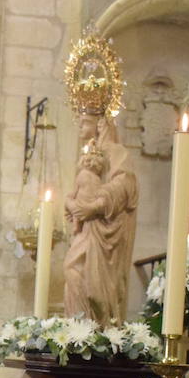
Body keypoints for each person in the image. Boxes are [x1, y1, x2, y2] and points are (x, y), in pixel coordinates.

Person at [62, 110, 139, 325]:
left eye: (85, 121)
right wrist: (71, 204)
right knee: (73, 271)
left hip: (105, 231)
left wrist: (95, 206)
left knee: (94, 287)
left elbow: (125, 186)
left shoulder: (116, 152)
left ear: (100, 124)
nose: (79, 125)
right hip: (87, 228)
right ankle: (78, 327)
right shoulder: (87, 156)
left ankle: (96, 329)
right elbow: (76, 191)